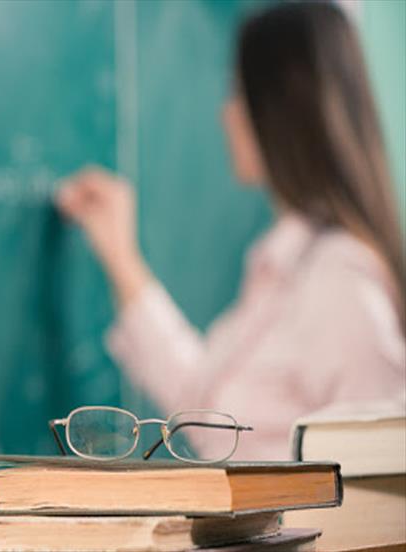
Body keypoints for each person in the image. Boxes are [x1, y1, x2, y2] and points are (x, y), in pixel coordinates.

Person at [55, 2, 405, 460]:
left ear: (280, 108)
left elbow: (376, 487)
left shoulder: (341, 285)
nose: (227, 113)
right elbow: (209, 413)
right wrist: (122, 260)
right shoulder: (286, 264)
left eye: (239, 93)